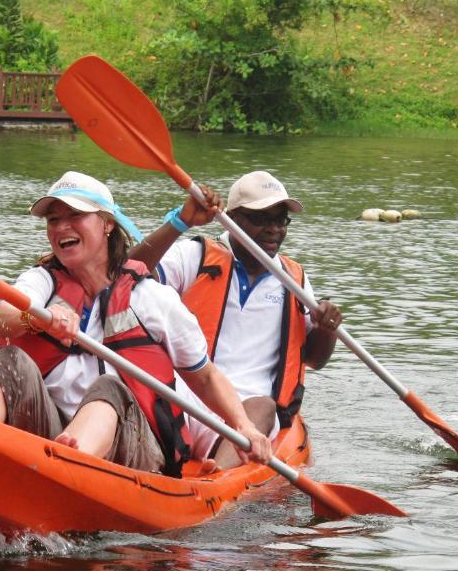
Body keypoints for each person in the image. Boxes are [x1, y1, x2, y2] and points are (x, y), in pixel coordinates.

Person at [0, 171, 271, 476]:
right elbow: (0, 321)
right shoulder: (41, 281)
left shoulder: (151, 298)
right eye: (53, 220)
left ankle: (66, 471)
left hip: (134, 449)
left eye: (75, 215)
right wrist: (36, 317)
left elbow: (205, 377)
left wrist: (243, 425)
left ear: (107, 224)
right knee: (9, 360)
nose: (61, 227)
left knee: (110, 388)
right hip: (50, 434)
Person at [130, 170, 344, 469]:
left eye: (280, 220)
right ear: (231, 218)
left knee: (263, 405)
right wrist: (180, 221)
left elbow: (315, 360)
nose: (273, 230)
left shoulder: (294, 280)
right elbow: (127, 274)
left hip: (252, 412)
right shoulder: (195, 256)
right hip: (187, 397)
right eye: (260, 219)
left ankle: (217, 479)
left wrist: (327, 328)